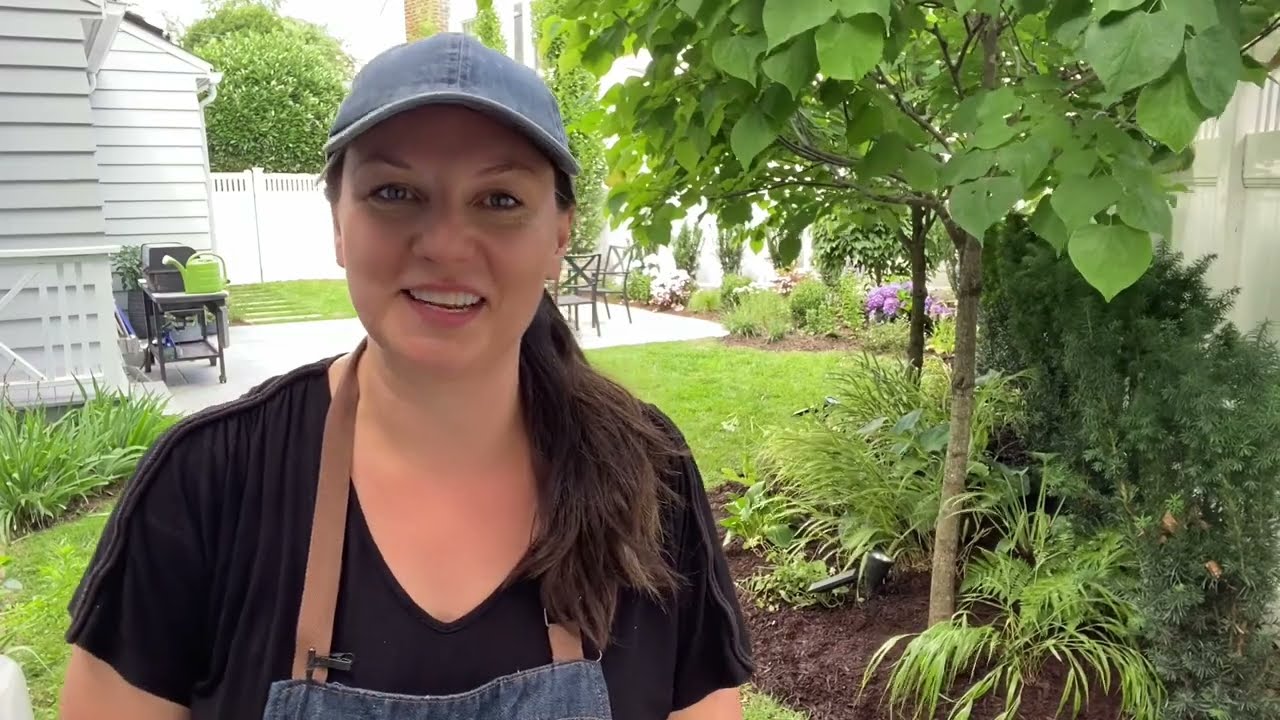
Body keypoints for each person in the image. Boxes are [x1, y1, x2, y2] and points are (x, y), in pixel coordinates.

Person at [58, 32, 752, 720]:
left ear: (559, 237)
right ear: (339, 225)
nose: (445, 245)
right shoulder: (207, 485)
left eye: (499, 200)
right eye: (395, 192)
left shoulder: (648, 475)